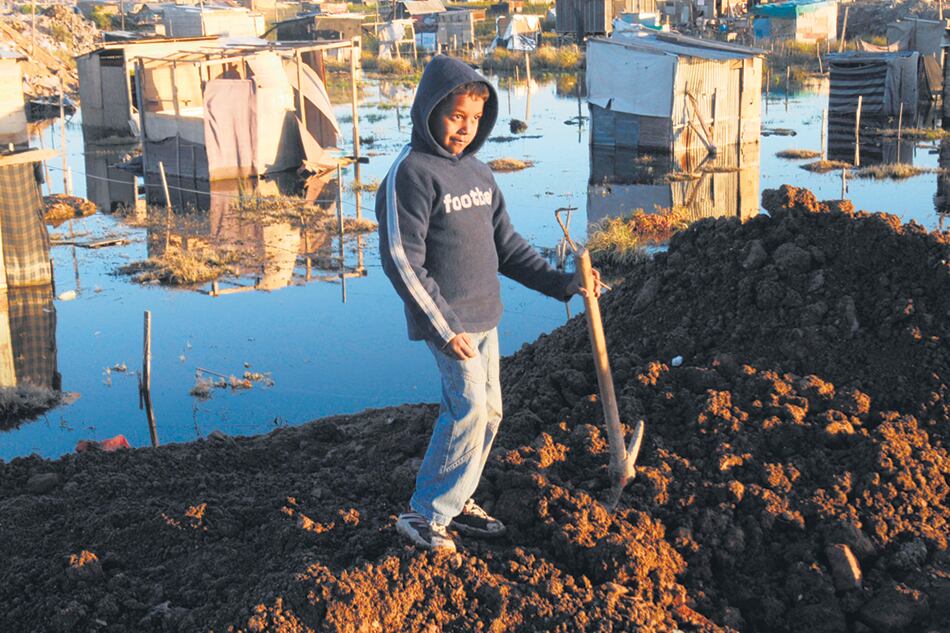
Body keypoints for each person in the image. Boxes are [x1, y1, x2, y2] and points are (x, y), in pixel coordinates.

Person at [375, 56, 600, 551]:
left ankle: (458, 498)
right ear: (430, 109)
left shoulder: (478, 174)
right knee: (467, 409)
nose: (464, 128)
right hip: (448, 322)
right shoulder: (410, 174)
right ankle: (426, 514)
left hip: (483, 318)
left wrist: (562, 284)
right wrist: (442, 325)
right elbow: (400, 258)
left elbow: (508, 247)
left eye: (475, 118)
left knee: (491, 411)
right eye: (456, 115)